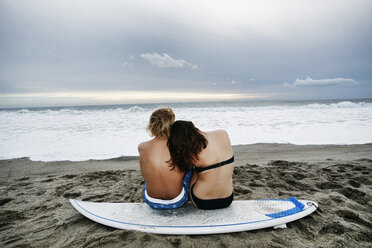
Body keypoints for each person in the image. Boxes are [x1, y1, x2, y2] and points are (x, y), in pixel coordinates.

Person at [167, 120, 234, 210]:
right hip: (227, 199)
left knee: (191, 169)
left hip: (202, 201)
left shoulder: (192, 154)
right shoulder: (223, 134)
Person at [138, 108, 192, 209]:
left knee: (152, 170)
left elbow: (144, 173)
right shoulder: (179, 146)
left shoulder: (142, 147)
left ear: (151, 125)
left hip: (151, 201)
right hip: (177, 201)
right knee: (190, 168)